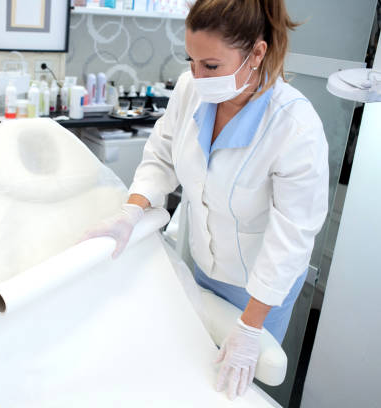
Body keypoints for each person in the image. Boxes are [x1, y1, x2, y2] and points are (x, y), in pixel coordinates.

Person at [84, 0, 329, 400]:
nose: (197, 76)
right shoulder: (191, 89)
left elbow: (292, 240)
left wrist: (251, 328)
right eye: (190, 61)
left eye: (211, 66)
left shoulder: (295, 128)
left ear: (257, 52)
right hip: (204, 265)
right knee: (187, 368)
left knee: (226, 389)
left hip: (260, 289)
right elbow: (161, 152)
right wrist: (132, 210)